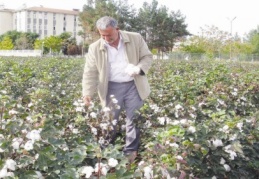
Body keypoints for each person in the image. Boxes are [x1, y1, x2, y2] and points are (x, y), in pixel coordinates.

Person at [82, 16, 153, 162]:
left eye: (109, 34)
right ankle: (107, 149)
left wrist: (138, 68)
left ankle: (130, 152)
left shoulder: (135, 38)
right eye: (103, 35)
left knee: (134, 118)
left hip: (134, 84)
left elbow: (147, 57)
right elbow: (90, 72)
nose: (106, 38)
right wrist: (87, 93)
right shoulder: (95, 48)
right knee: (110, 120)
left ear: (117, 29)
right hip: (111, 86)